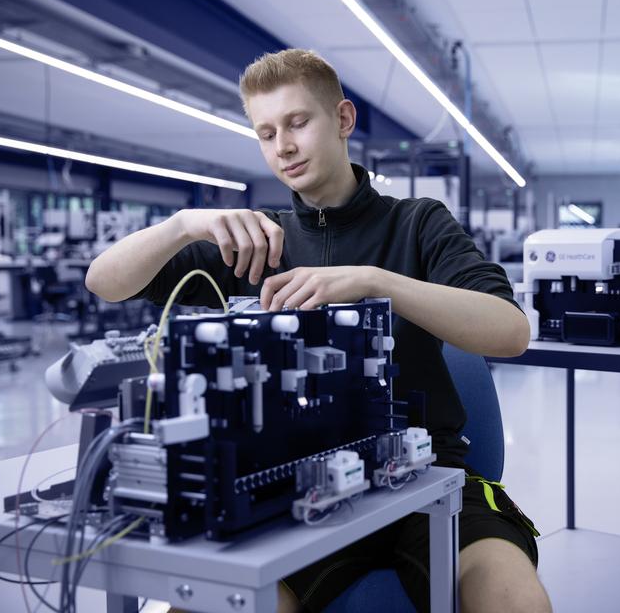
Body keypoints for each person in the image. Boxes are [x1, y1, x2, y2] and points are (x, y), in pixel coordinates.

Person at [86, 48, 551, 613]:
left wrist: (376, 282)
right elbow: (104, 282)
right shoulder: (254, 244)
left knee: (511, 598)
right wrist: (185, 224)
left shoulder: (418, 223)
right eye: (265, 133)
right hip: (291, 496)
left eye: (297, 122)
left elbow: (510, 333)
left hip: (428, 479)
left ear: (343, 120)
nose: (282, 146)